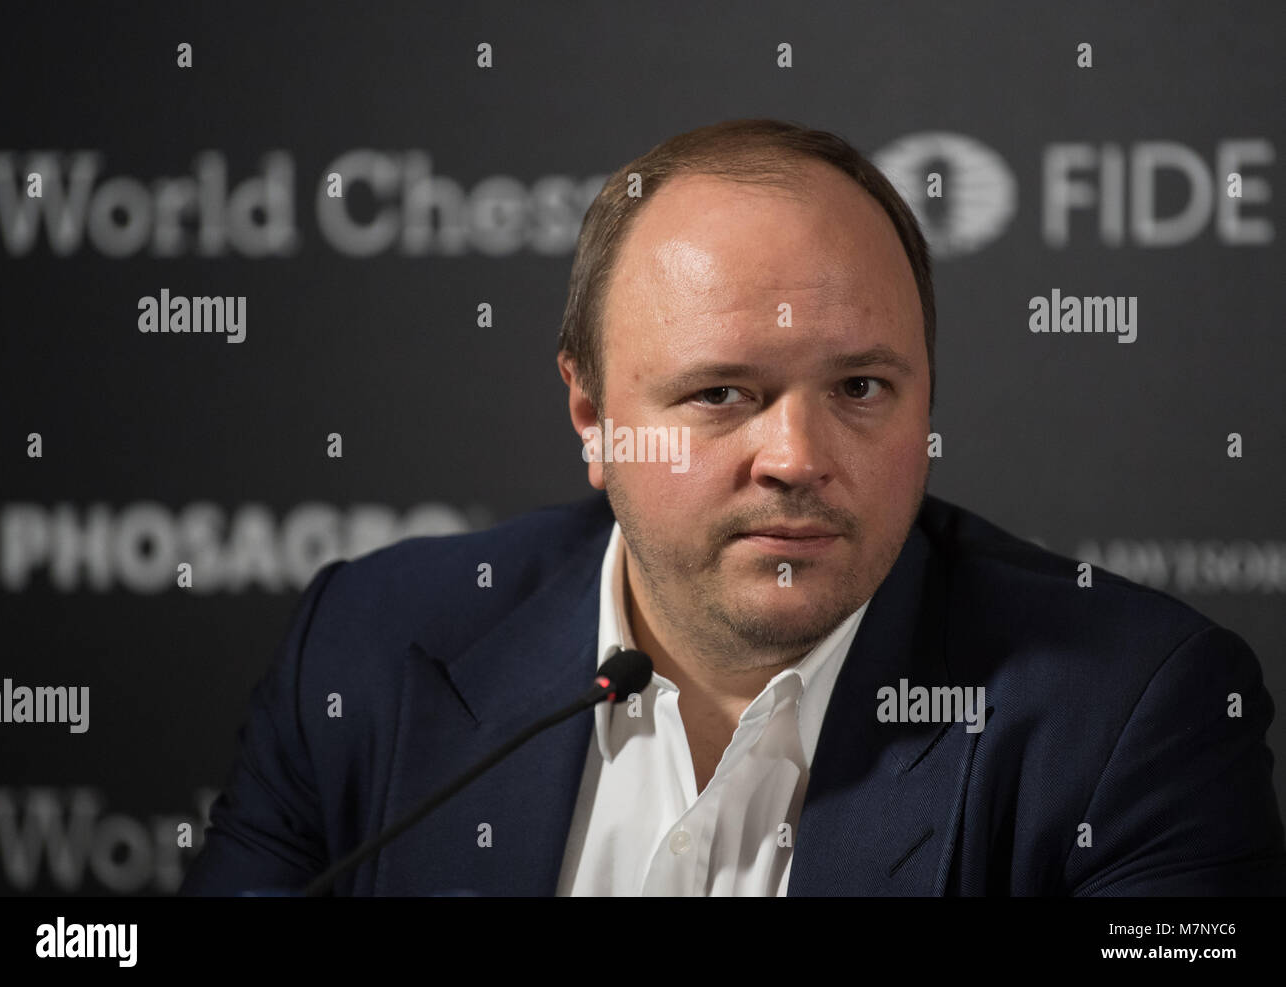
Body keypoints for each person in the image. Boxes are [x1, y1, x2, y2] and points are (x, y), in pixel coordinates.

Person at [180, 119, 1286, 896]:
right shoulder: (370, 650)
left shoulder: (1128, 714)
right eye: (721, 394)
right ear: (591, 413)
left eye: (861, 389)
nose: (796, 457)